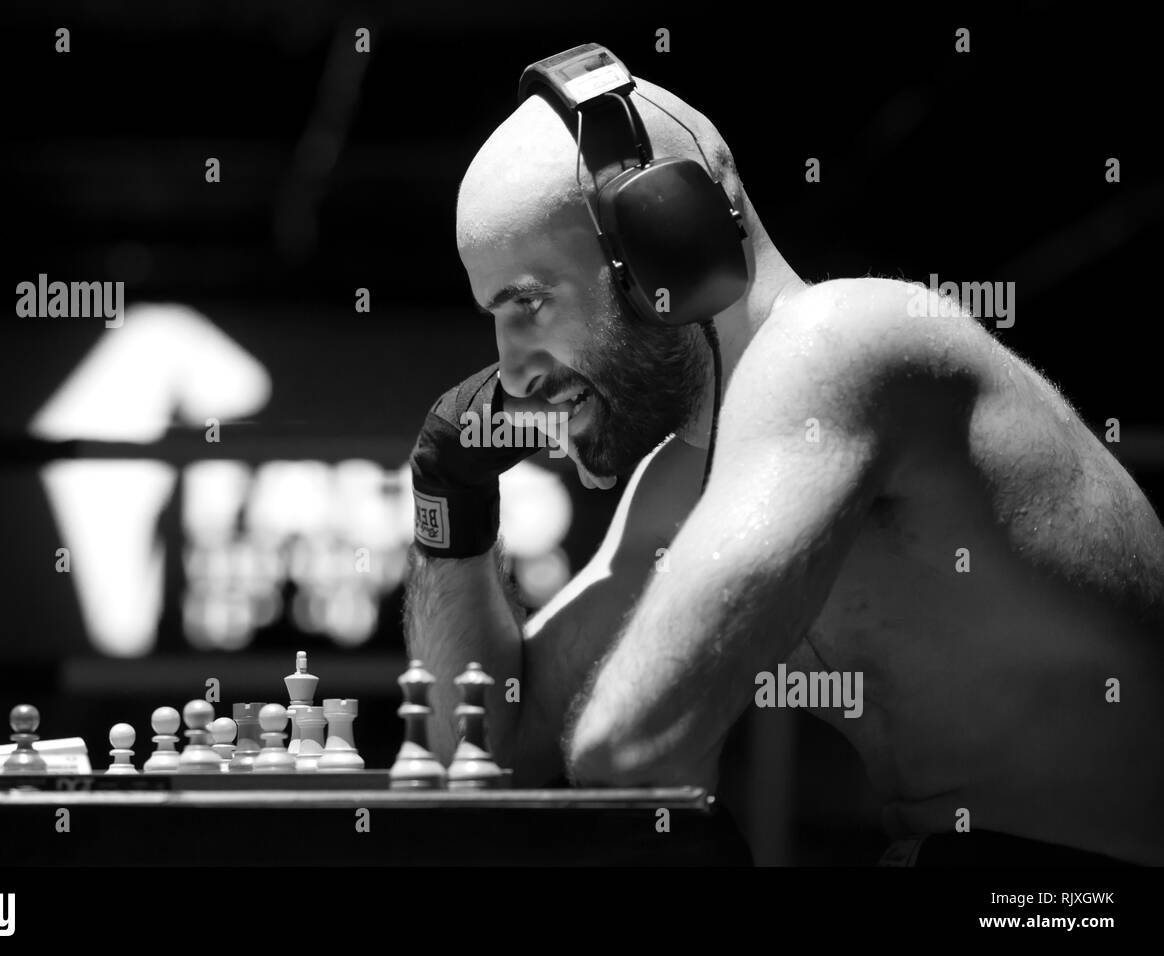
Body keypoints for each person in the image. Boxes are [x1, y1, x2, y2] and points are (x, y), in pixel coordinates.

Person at [404, 51, 1164, 865]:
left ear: (667, 239)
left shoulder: (844, 343)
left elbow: (629, 751)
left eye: (528, 301)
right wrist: (448, 495)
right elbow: (487, 757)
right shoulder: (688, 476)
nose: (509, 367)